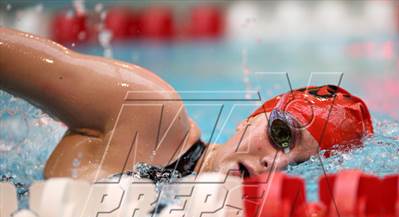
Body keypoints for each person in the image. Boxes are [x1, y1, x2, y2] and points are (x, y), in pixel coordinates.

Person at [0, 27, 374, 183]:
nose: (274, 163)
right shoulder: (148, 113)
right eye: (281, 135)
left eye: (300, 167)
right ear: (251, 118)